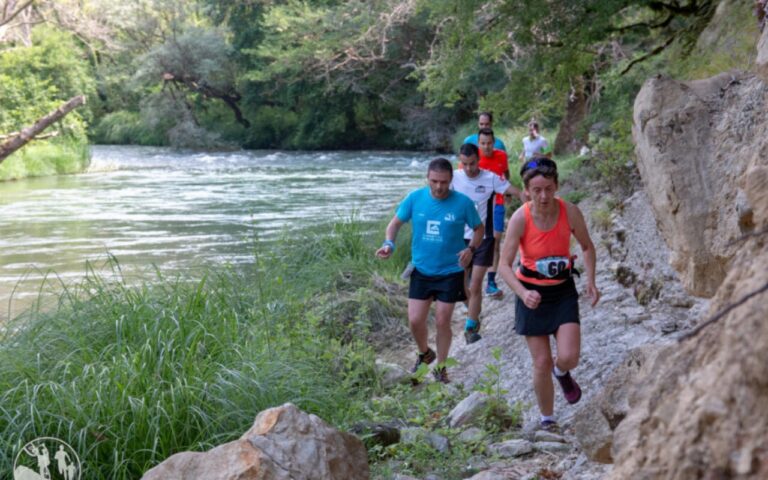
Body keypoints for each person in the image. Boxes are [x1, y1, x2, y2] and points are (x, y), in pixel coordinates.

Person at [498, 157, 600, 431]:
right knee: (541, 361)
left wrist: (590, 281)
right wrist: (522, 292)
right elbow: (504, 266)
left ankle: (563, 371)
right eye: (537, 190)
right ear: (527, 190)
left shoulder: (570, 212)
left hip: (562, 292)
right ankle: (547, 419)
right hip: (531, 295)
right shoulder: (520, 218)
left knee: (569, 356)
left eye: (549, 189)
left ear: (556, 186)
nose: (543, 196)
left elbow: (587, 247)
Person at [376, 158, 483, 383]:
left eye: (443, 182)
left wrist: (471, 249)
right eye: (434, 181)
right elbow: (394, 224)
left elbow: (478, 229)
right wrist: (389, 244)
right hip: (421, 269)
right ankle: (425, 353)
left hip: (450, 271)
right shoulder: (415, 198)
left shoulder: (463, 203)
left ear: (451, 180)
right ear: (428, 178)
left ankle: (441, 368)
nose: (438, 187)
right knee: (415, 320)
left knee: (443, 320)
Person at [452, 143, 523, 344]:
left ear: (478, 160)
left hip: (484, 239)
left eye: (472, 163)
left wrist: (531, 202)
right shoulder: (454, 178)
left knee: (475, 285)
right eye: (464, 164)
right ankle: (473, 311)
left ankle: (471, 328)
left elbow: (515, 191)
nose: (468, 168)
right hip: (459, 238)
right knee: (460, 284)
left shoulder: (490, 178)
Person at [477, 127, 510, 298]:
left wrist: (508, 192)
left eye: (489, 143)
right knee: (475, 241)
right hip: (477, 206)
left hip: (497, 203)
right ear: (478, 143)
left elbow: (506, 174)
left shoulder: (501, 156)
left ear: (494, 143)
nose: (486, 147)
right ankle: (469, 279)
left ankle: (491, 281)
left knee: (495, 241)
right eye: (483, 143)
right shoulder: (473, 158)